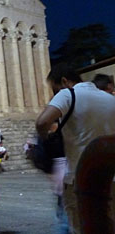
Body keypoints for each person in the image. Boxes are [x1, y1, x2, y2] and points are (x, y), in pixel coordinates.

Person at [36, 64, 115, 234]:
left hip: (81, 178)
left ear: (64, 81)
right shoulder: (110, 99)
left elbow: (42, 122)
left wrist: (45, 137)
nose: (55, 94)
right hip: (112, 177)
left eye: (54, 90)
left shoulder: (68, 94)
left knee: (82, 227)